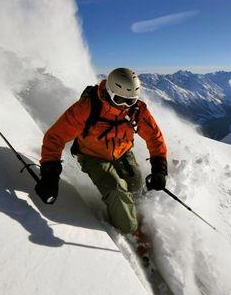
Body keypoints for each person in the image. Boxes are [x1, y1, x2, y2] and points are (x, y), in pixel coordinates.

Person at [35, 68, 167, 235]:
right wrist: (49, 173)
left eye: (131, 100)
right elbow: (55, 137)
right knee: (117, 190)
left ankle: (132, 214)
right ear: (109, 92)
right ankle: (129, 232)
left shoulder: (137, 110)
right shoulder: (87, 108)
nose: (125, 106)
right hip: (93, 156)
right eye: (119, 100)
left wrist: (159, 168)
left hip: (123, 153)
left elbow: (155, 137)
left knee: (136, 186)